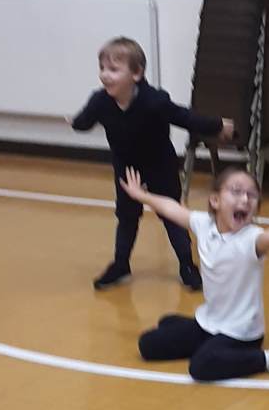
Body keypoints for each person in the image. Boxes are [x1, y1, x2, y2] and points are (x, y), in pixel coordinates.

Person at [121, 164, 269, 382]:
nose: (245, 199)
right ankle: (204, 341)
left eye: (252, 195)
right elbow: (170, 208)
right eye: (236, 191)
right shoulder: (204, 225)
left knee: (200, 367)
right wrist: (141, 196)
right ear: (215, 200)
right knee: (147, 345)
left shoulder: (252, 239)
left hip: (241, 333)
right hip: (209, 322)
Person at [70, 36, 234, 290]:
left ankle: (187, 265)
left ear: (136, 73)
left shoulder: (154, 101)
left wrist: (217, 125)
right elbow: (85, 121)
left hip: (160, 165)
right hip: (127, 167)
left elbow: (184, 117)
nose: (105, 75)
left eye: (113, 69)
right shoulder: (100, 101)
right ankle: (121, 264)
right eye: (102, 68)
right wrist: (76, 123)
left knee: (171, 215)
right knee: (127, 216)